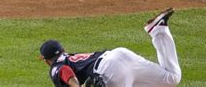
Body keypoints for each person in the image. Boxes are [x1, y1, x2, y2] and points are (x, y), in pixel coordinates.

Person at [39, 8, 182, 87]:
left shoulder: (56, 66)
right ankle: (158, 30)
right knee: (171, 77)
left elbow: (64, 71)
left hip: (111, 72)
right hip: (121, 55)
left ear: (45, 60)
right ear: (63, 50)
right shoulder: (72, 57)